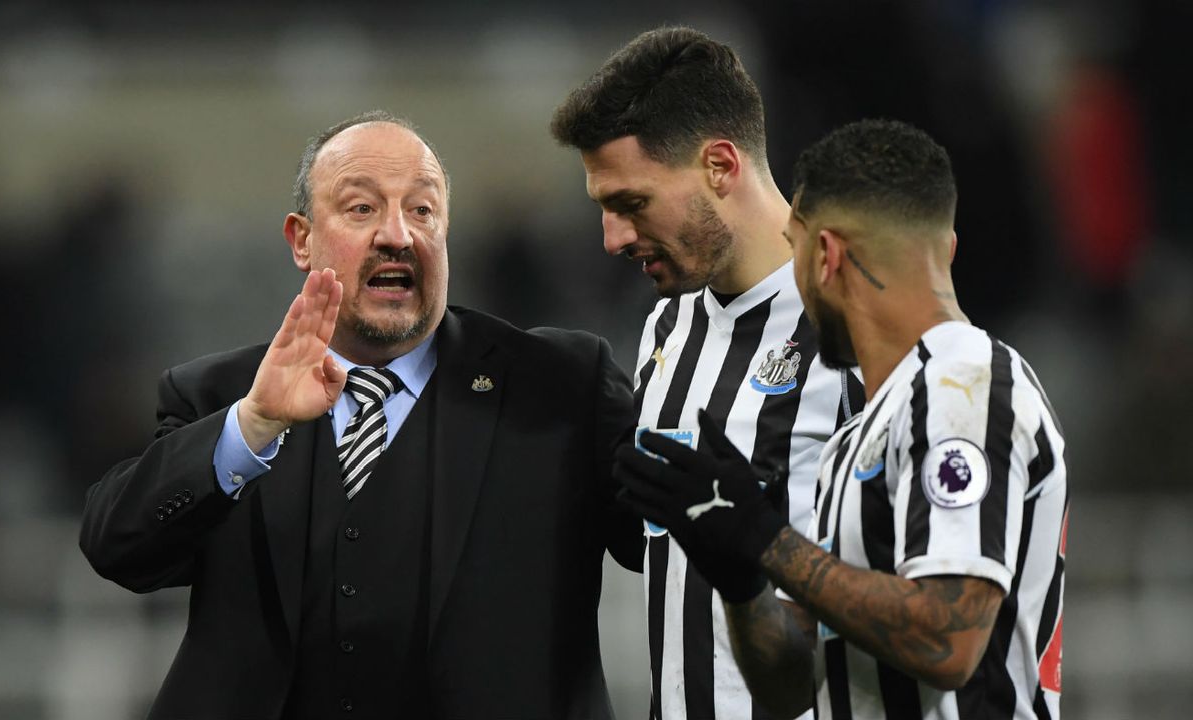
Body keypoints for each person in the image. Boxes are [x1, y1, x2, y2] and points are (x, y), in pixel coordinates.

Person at [79, 111, 641, 720]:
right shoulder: (220, 395)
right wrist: (253, 427)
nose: (397, 234)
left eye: (422, 210)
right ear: (302, 240)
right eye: (361, 209)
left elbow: (672, 536)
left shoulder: (559, 382)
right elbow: (117, 549)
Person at [616, 119, 1069, 719]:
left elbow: (948, 641)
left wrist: (765, 539)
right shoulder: (859, 437)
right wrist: (741, 579)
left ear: (825, 255)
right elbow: (790, 691)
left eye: (794, 251)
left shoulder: (965, 385)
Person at [551, 27, 862, 719]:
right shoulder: (669, 324)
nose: (613, 239)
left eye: (631, 203)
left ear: (720, 165)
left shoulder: (860, 325)